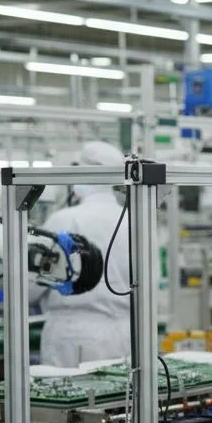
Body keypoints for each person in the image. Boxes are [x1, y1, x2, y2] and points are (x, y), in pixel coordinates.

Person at [33, 141, 132, 367]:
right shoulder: (138, 219)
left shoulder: (65, 220)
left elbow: (30, 288)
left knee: (73, 401)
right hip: (127, 335)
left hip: (74, 336)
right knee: (123, 400)